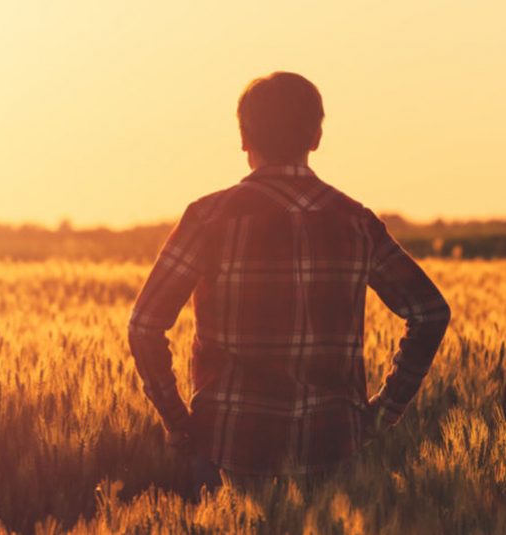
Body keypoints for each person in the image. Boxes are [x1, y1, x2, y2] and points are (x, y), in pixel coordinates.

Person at [127, 72, 451, 496]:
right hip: (333, 447)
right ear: (316, 137)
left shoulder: (209, 219)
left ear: (244, 138)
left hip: (228, 446)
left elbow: (145, 325)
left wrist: (179, 423)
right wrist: (381, 415)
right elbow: (430, 312)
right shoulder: (355, 221)